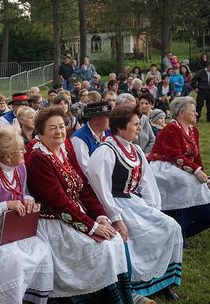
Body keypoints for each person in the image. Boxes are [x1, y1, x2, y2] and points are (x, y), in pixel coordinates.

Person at [26, 106, 130, 303]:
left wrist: (100, 216)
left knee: (115, 240)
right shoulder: (38, 158)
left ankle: (121, 296)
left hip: (75, 216)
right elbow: (59, 203)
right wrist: (92, 227)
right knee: (102, 249)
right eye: (52, 128)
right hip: (54, 223)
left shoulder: (64, 147)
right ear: (40, 132)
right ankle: (93, 299)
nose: (59, 131)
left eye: (61, 126)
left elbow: (83, 185)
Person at [87, 104, 183, 301]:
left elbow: (148, 183)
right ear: (121, 127)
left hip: (133, 202)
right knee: (132, 239)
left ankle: (163, 280)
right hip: (112, 205)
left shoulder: (136, 149)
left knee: (170, 226)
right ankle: (135, 286)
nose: (140, 128)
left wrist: (154, 209)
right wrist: (115, 217)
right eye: (136, 124)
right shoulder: (105, 151)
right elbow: (100, 188)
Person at [0, 121, 54, 304]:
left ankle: (30, 298)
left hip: (14, 228)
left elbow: (23, 193)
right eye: (20, 150)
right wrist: (6, 205)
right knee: (13, 261)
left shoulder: (20, 169)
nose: (24, 152)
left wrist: (27, 201)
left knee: (43, 250)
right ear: (6, 156)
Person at [147, 97, 210, 245]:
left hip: (182, 167)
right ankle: (180, 223)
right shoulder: (171, 128)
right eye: (193, 111)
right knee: (187, 181)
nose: (196, 114)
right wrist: (196, 171)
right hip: (165, 167)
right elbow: (175, 155)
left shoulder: (193, 130)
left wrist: (203, 174)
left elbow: (197, 156)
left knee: (197, 183)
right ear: (181, 113)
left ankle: (185, 228)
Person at [71, 101, 112, 176]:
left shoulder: (109, 133)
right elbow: (86, 170)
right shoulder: (79, 138)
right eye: (107, 117)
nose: (111, 119)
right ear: (95, 119)